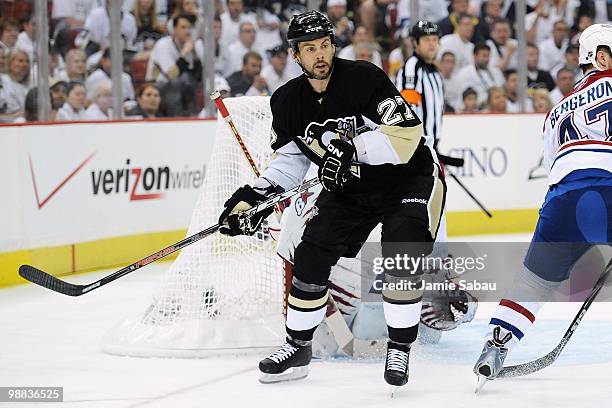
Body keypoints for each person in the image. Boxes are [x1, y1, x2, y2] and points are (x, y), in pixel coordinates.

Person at [217, 11, 445, 388]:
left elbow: (406, 136)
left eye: (325, 45)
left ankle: (401, 348)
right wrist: (253, 198)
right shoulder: (287, 102)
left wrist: (350, 149)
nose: (320, 54)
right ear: (295, 55)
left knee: (401, 248)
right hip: (351, 188)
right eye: (310, 49)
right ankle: (298, 348)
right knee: (310, 254)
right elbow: (289, 162)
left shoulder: (364, 79)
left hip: (406, 178)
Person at [473, 23, 612, 391]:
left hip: (563, 203)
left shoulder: (556, 111)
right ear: (600, 56)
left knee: (533, 281)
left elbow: (557, 169)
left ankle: (495, 345)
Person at [146, 13, 202, 116]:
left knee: (187, 80)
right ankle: (177, 119)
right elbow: (171, 74)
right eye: (183, 27)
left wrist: (195, 55)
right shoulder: (163, 44)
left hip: (180, 86)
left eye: (189, 28)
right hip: (156, 86)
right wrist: (184, 54)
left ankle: (193, 117)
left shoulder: (189, 45)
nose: (187, 31)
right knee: (177, 82)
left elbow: (198, 76)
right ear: (175, 29)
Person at [456, 43, 504, 107]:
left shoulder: (496, 72)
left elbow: (502, 90)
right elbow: (463, 96)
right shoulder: (465, 73)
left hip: (495, 107)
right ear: (475, 56)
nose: (486, 59)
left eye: (488, 56)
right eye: (484, 56)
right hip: (475, 108)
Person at [0, 49, 31, 123]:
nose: (25, 64)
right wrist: (13, 116)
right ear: (10, 63)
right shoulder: (2, 81)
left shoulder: (28, 87)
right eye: (20, 61)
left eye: (27, 62)